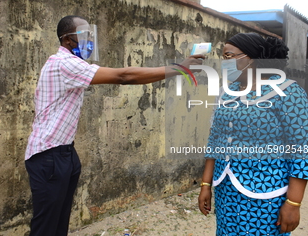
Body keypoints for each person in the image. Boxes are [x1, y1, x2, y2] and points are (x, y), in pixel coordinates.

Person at [24, 15, 203, 236]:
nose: (89, 40)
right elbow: (124, 76)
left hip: (64, 152)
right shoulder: (64, 64)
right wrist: (178, 68)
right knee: (46, 227)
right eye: (84, 36)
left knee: (59, 223)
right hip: (48, 156)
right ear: (68, 40)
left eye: (91, 35)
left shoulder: (73, 64)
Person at [198, 32, 308, 235]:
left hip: (266, 192)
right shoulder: (227, 92)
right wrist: (206, 184)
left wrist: (294, 202)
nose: (223, 62)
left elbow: (303, 150)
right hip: (226, 188)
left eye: (229, 56)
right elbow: (215, 140)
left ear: (250, 58)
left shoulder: (287, 92)